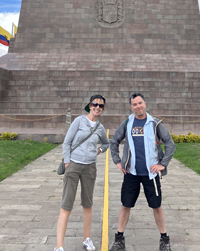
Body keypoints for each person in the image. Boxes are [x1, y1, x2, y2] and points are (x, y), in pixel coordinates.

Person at [109, 93, 176, 251]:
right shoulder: (127, 123)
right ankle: (119, 239)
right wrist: (118, 161)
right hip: (131, 173)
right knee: (126, 205)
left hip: (151, 174)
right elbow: (114, 141)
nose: (138, 106)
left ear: (144, 103)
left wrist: (163, 164)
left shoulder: (155, 123)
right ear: (131, 107)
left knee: (156, 206)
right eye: (134, 104)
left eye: (140, 103)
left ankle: (164, 239)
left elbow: (170, 144)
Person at [55, 94, 109, 251]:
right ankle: (59, 246)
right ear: (89, 105)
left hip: (89, 168)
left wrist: (97, 151)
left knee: (87, 204)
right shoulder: (79, 121)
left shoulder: (100, 128)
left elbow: (106, 143)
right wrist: (67, 162)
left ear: (103, 109)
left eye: (101, 106)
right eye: (95, 104)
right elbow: (67, 142)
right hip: (73, 165)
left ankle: (87, 239)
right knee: (67, 205)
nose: (97, 107)